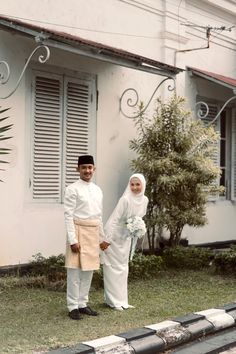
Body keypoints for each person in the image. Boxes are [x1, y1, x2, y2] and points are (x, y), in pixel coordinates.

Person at [64, 155, 110, 320]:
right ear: (78, 169)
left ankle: (83, 303)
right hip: (77, 231)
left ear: (94, 169)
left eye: (90, 167)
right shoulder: (72, 189)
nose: (87, 171)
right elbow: (68, 215)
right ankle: (72, 306)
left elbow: (99, 217)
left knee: (88, 271)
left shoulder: (98, 190)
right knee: (74, 271)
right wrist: (72, 240)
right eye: (84, 167)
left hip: (93, 232)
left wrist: (102, 238)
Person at [101, 173, 148, 311]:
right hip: (114, 237)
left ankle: (123, 301)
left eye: (137, 184)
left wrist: (136, 228)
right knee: (112, 269)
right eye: (132, 184)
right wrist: (106, 238)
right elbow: (114, 219)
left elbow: (140, 217)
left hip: (126, 237)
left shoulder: (145, 200)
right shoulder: (125, 200)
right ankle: (113, 301)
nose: (134, 187)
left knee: (123, 269)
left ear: (143, 185)